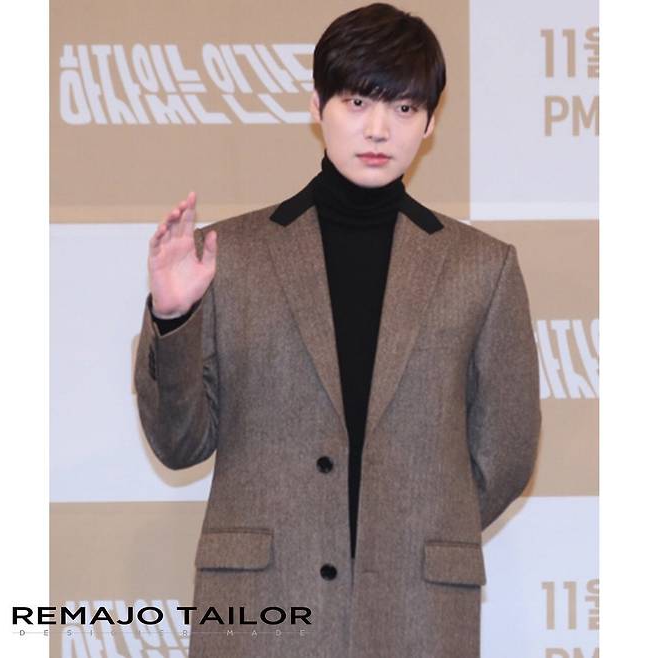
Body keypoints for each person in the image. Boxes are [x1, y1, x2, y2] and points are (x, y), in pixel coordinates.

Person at [134, 3, 541, 657]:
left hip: (417, 609)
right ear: (316, 106)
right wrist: (174, 315)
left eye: (404, 107)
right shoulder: (226, 256)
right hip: (262, 610)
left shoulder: (481, 268)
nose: (379, 128)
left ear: (431, 122)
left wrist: (413, 525)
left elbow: (505, 451)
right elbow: (180, 445)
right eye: (357, 102)